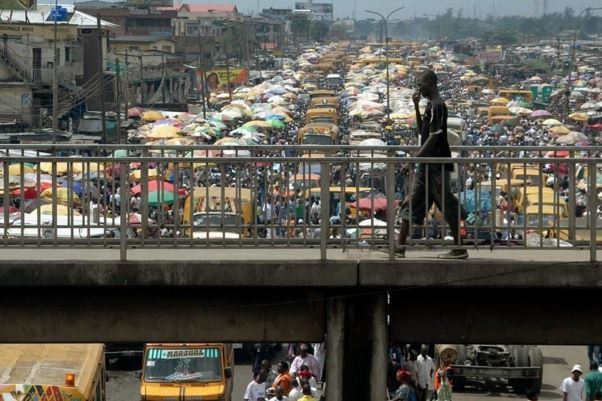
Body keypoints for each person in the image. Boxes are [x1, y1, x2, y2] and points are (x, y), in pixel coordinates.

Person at [397, 69, 468, 259]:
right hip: (425, 166)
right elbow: (423, 132)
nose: (419, 88)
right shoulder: (429, 106)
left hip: (436, 165)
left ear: (430, 83)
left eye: (421, 84)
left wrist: (413, 160)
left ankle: (460, 248)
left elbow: (434, 139)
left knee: (447, 207)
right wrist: (416, 107)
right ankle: (399, 247)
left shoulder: (439, 106)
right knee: (411, 203)